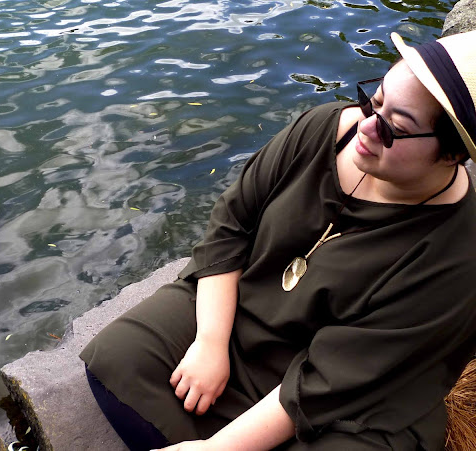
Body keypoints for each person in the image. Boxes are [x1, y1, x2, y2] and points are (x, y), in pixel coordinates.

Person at [80, 30, 476, 450]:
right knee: (118, 359)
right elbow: (232, 223)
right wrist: (211, 342)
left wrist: (217, 448)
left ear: (453, 154)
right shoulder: (324, 128)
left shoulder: (457, 257)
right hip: (243, 314)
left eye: (393, 128)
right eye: (373, 102)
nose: (367, 127)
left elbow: (340, 376)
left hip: (347, 395)